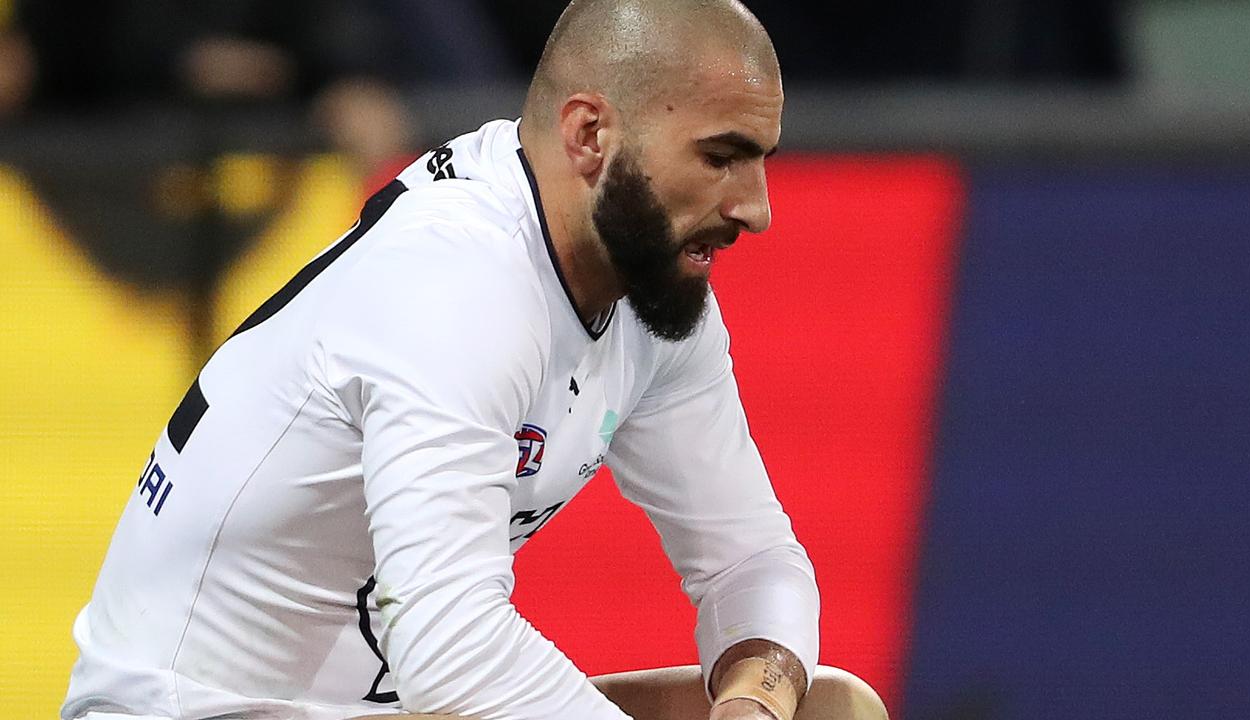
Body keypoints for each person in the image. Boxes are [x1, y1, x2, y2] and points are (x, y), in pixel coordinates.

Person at [61, 1, 888, 719]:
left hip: (377, 707)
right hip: (187, 711)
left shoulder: (644, 281)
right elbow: (449, 648)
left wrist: (755, 698)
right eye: (720, 156)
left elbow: (750, 558)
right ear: (589, 133)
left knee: (831, 709)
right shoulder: (459, 281)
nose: (756, 209)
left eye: (760, 161)